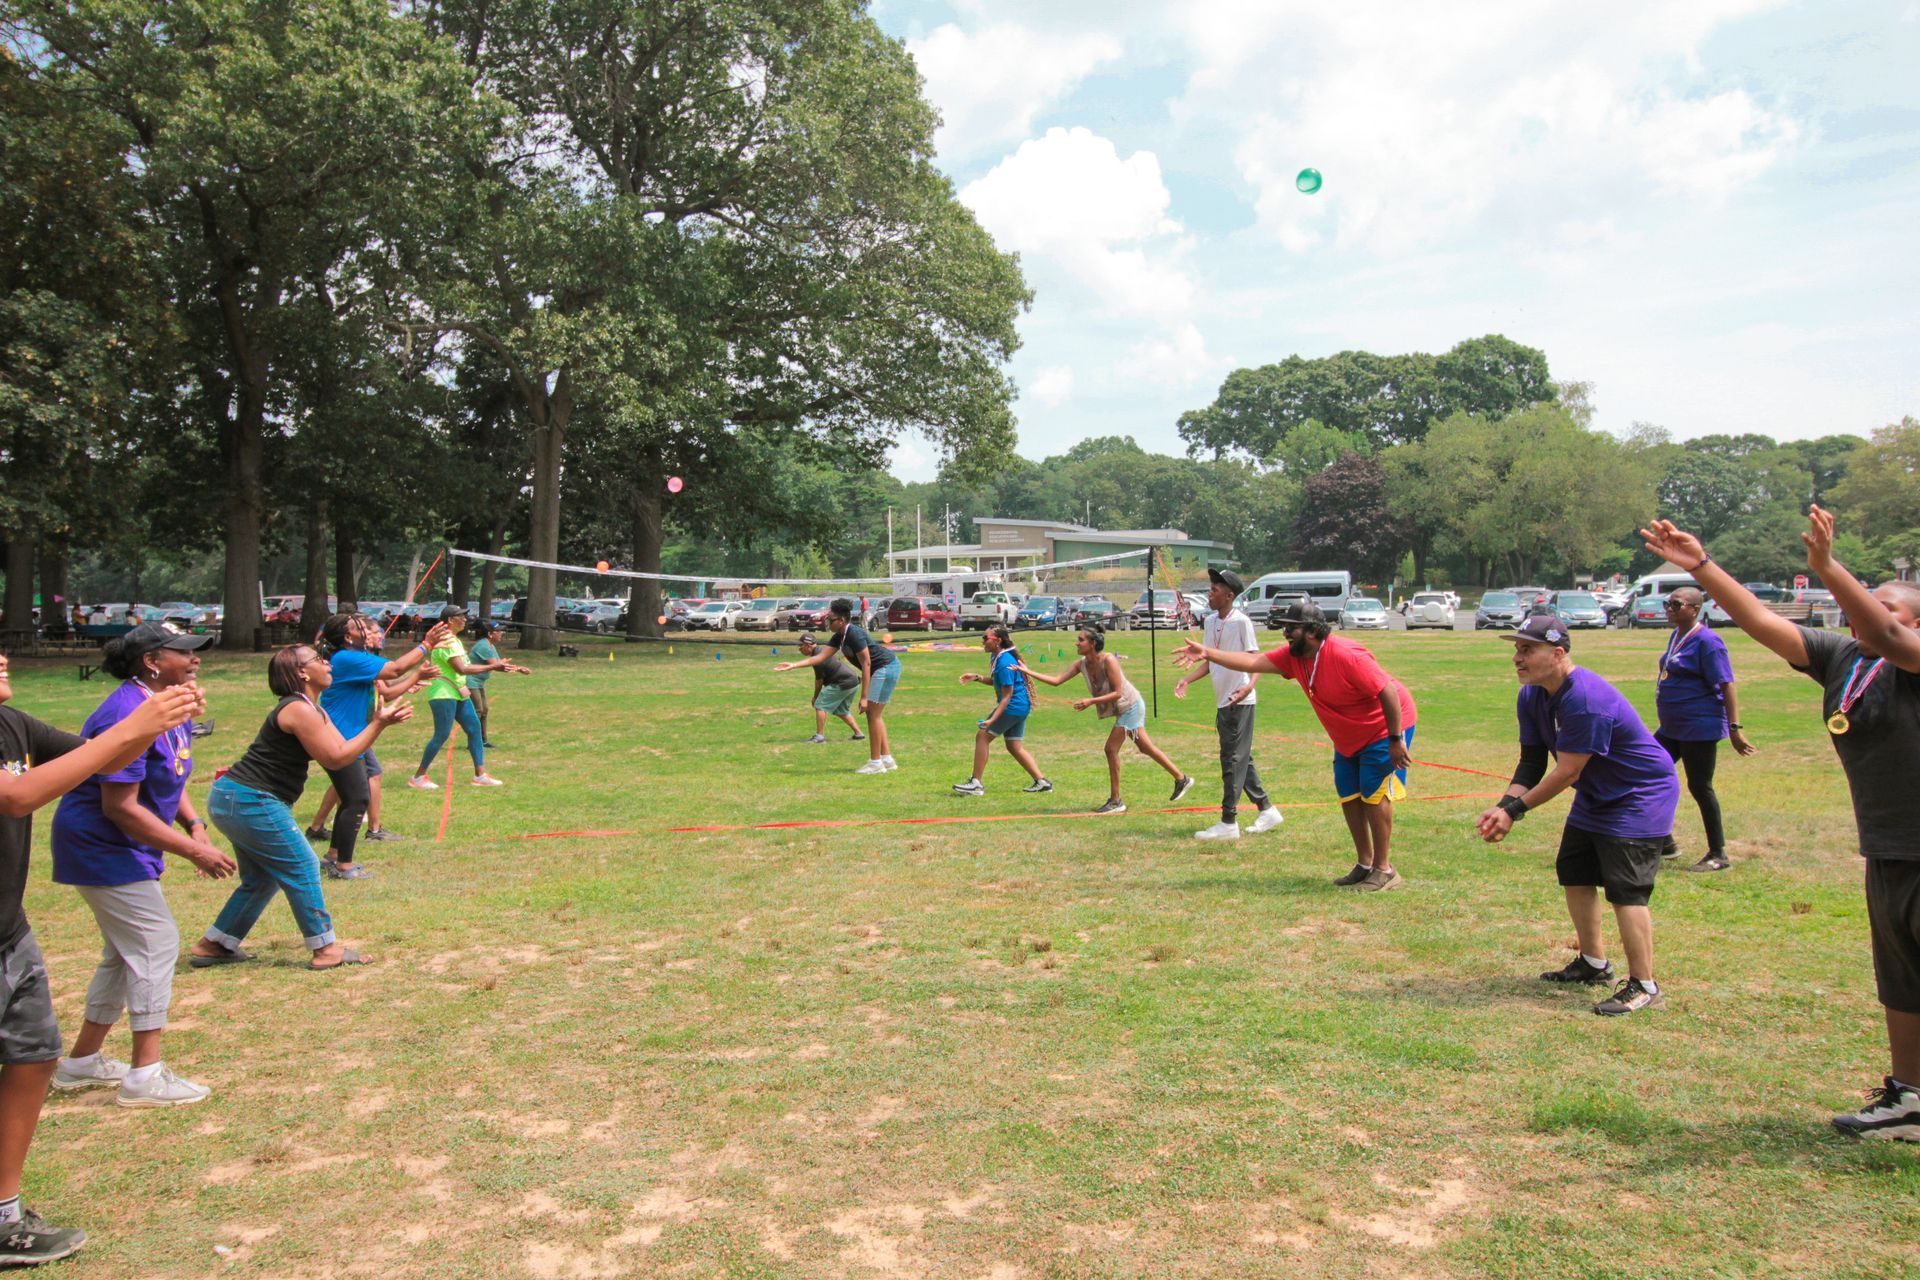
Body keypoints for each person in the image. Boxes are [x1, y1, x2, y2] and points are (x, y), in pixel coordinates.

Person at [1643, 509, 1920, 1140]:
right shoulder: (1847, 658)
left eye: (1887, 607)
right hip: (1891, 844)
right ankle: (1909, 1099)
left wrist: (1827, 568)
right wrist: (1703, 568)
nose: (1866, 615)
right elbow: (1761, 621)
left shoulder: (1912, 656)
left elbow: (1900, 642)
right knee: (1901, 974)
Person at [0, 651, 203, 1265]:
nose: (3, 657)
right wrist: (134, 725)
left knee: (34, 1059)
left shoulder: (12, 723)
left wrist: (152, 726)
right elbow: (18, 795)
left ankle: (4, 1214)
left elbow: (97, 762)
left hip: (9, 926)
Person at [47, 623, 236, 1109]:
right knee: (156, 942)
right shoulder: (125, 713)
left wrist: (194, 823)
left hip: (121, 846)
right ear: (151, 661)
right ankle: (144, 1076)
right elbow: (120, 806)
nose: (195, 660)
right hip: (101, 845)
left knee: (123, 951)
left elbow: (168, 777)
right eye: (184, 653)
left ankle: (82, 1062)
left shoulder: (163, 704)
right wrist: (194, 851)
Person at [1476, 615, 1679, 1017]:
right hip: (1596, 793)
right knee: (1575, 872)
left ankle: (1644, 984)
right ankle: (1594, 962)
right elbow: (1532, 760)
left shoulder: (1585, 699)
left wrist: (1515, 811)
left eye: (1527, 650)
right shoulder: (1532, 695)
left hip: (1639, 795)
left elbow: (1569, 770)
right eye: (1516, 649)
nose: (1517, 658)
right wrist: (1504, 806)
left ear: (1558, 653)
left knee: (1626, 889)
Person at [191, 645, 412, 971]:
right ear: (302, 673)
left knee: (262, 878)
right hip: (250, 798)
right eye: (318, 660)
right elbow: (335, 759)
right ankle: (325, 949)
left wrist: (379, 723)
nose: (327, 663)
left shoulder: (315, 709)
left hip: (236, 799)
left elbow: (343, 750)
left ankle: (215, 944)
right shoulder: (297, 709)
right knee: (304, 864)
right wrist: (378, 724)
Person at [1179, 600, 1416, 890]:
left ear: (1313, 631)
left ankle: (1384, 869)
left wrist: (1395, 739)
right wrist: (1208, 653)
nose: (1285, 634)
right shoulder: (1296, 657)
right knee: (1350, 794)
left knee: (1373, 793)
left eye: (1291, 629)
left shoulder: (1345, 655)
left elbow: (1387, 691)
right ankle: (1365, 864)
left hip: (1383, 727)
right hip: (1348, 735)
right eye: (1284, 628)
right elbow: (1253, 661)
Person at [304, 614, 447, 876]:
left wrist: (415, 677)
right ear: (348, 637)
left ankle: (334, 857)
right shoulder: (347, 658)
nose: (369, 631)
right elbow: (394, 669)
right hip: (341, 737)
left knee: (354, 797)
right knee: (357, 798)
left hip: (352, 735)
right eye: (359, 627)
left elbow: (389, 690)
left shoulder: (355, 659)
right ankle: (342, 866)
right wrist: (426, 644)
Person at [1018, 624, 1192, 814]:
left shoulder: (1109, 660)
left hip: (1131, 706)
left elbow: (1118, 693)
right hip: (1123, 709)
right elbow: (1057, 681)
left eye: (1081, 639)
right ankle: (1181, 778)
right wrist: (1027, 671)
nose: (1076, 643)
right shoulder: (1081, 664)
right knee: (1145, 747)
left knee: (1110, 749)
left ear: (1092, 644)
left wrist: (1090, 701)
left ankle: (1116, 801)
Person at [1170, 569, 1283, 841]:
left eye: (1215, 590)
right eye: (1210, 588)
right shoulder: (1210, 622)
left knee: (1232, 759)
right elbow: (1209, 661)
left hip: (1241, 700)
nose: (1210, 593)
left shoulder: (1241, 622)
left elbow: (1256, 660)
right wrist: (1187, 679)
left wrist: (1249, 686)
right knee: (1239, 756)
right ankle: (1267, 809)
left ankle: (1228, 821)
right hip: (1223, 700)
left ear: (1229, 595)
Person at [1653, 587, 1755, 873]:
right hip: (1672, 727)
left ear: (1695, 608)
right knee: (1644, 768)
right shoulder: (1677, 635)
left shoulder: (1709, 642)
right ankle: (1665, 842)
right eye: (1667, 603)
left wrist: (1735, 728)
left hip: (1699, 726)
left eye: (1675, 604)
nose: (1669, 608)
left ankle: (1718, 854)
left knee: (1700, 786)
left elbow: (1727, 684)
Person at [407, 606, 523, 790]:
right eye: (462, 616)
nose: (465, 619)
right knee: (442, 735)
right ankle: (419, 777)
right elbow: (461, 669)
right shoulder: (445, 641)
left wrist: (503, 666)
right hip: (443, 693)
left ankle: (480, 775)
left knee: (474, 728)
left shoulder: (455, 640)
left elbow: (469, 666)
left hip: (458, 691)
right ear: (451, 620)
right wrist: (493, 667)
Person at [951, 624, 1048, 797]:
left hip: (1012, 706)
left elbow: (1007, 696)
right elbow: (997, 682)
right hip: (1020, 707)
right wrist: (977, 677)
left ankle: (976, 783)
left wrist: (991, 719)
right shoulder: (998, 657)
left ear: (998, 641)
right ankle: (1042, 782)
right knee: (1014, 746)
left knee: (982, 736)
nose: (983, 642)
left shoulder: (1004, 662)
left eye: (986, 638)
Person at [824, 598, 900, 775]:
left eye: (830, 618)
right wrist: (793, 665)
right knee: (875, 715)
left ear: (841, 620)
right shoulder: (840, 636)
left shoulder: (854, 634)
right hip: (884, 668)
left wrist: (864, 697)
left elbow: (866, 664)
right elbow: (821, 657)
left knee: (873, 714)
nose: (827, 621)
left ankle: (875, 763)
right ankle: (887, 759)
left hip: (885, 668)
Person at [771, 634, 864, 744]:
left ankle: (819, 737)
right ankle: (859, 734)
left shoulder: (818, 657)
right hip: (852, 681)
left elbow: (819, 680)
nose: (799, 649)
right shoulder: (821, 651)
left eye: (801, 646)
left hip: (842, 682)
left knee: (820, 705)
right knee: (841, 710)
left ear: (808, 645)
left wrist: (815, 697)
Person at [466, 618, 506, 747]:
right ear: (490, 634)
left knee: (484, 710)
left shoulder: (490, 645)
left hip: (479, 682)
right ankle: (473, 742)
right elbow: (497, 665)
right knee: (478, 710)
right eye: (498, 631)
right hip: (471, 681)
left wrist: (519, 669)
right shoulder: (483, 645)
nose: (501, 633)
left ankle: (483, 741)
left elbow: (500, 666)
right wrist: (511, 667)